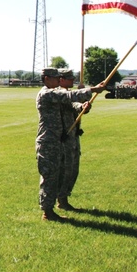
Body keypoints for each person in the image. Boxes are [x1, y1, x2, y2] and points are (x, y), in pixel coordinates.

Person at [36, 68, 104, 221]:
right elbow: (67, 95)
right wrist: (93, 89)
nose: (59, 80)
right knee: (50, 176)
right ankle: (47, 212)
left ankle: (58, 204)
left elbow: (71, 104)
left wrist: (83, 107)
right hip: (48, 142)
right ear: (46, 79)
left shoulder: (56, 94)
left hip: (60, 141)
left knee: (61, 174)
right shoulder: (46, 94)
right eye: (56, 78)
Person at [57, 69, 90, 211]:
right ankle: (60, 200)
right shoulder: (57, 93)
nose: (72, 80)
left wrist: (83, 106)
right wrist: (83, 94)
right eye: (69, 78)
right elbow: (69, 100)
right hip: (62, 137)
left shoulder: (69, 93)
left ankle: (64, 198)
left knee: (72, 170)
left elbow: (74, 106)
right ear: (61, 79)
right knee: (64, 169)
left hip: (73, 136)